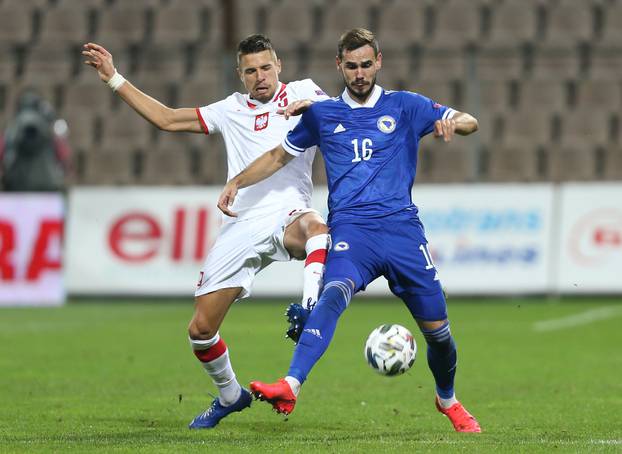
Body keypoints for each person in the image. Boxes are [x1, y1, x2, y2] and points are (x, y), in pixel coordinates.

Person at [217, 28, 482, 433]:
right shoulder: (321, 115)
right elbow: (276, 156)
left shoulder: (406, 105)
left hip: (402, 232)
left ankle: (447, 399)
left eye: (366, 64)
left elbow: (468, 119)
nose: (359, 73)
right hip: (352, 231)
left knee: (439, 333)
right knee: (332, 294)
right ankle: (290, 385)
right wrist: (237, 181)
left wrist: (456, 124)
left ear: (379, 62)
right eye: (351, 66)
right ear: (339, 66)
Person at [82, 35, 331, 429]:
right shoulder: (230, 109)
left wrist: (317, 109)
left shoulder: (304, 91)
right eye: (251, 71)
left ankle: (310, 307)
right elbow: (166, 118)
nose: (260, 77)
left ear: (279, 65)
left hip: (288, 212)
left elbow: (343, 116)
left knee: (318, 229)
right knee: (200, 331)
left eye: (266, 67)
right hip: (240, 224)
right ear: (240, 74)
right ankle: (231, 395)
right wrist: (114, 78)